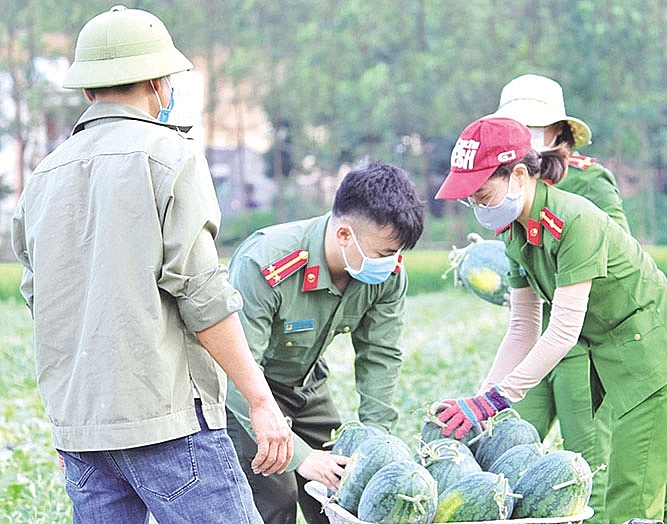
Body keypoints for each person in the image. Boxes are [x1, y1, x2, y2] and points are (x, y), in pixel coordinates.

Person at [11, 6, 292, 523]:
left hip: (82, 430)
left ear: (88, 89)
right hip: (168, 424)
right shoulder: (168, 156)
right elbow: (202, 295)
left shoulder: (43, 176)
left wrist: (73, 422)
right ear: (160, 83)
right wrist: (259, 399)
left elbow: (41, 300)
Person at [433, 117, 667, 523]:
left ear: (518, 175)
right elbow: (523, 329)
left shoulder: (574, 222)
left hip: (659, 361)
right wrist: (481, 403)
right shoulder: (514, 232)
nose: (477, 206)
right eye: (471, 200)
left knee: (630, 506)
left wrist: (495, 400)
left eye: (482, 193)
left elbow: (564, 331)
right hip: (620, 366)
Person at [225, 161, 425, 524]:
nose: (391, 263)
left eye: (398, 253)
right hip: (249, 390)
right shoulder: (267, 263)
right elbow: (235, 370)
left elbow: (380, 355)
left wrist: (375, 439)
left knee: (344, 488)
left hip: (307, 385)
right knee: (276, 496)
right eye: (383, 253)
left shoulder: (386, 274)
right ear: (345, 235)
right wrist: (301, 457)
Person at [488, 73, 632, 522]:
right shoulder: (506, 183)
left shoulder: (591, 184)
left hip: (585, 345)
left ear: (559, 132)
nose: (527, 135)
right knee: (505, 445)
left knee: (586, 468)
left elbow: (619, 256)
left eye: (536, 126)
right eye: (517, 125)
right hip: (537, 339)